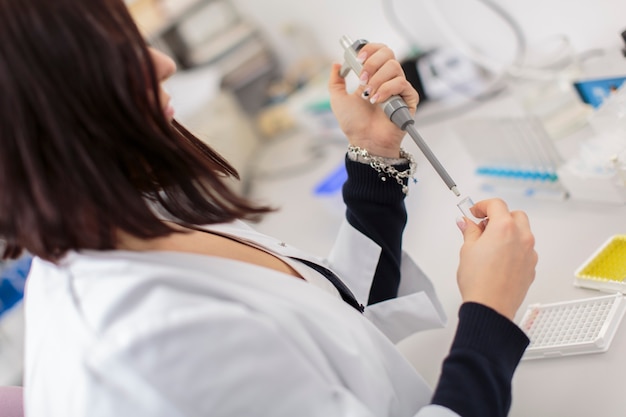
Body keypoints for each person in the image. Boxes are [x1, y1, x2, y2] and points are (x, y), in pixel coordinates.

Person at [0, 0, 537, 416]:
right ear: (32, 113)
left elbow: (333, 310)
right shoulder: (147, 342)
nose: (162, 63)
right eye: (112, 52)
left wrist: (374, 153)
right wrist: (489, 313)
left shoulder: (140, 214)